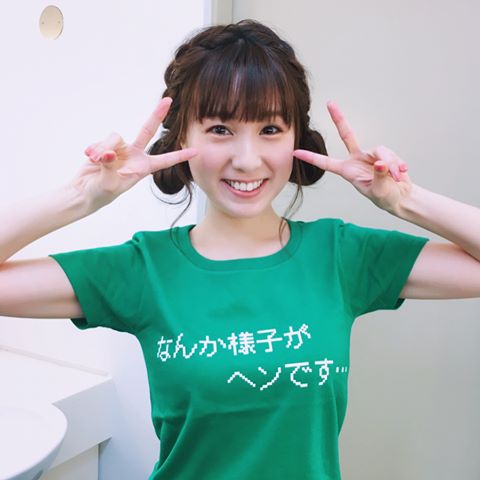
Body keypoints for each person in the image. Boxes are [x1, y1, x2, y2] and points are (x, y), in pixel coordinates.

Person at [1, 18, 479, 480]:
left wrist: (404, 200)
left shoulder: (340, 255)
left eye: (270, 129)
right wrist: (81, 196)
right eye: (220, 129)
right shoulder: (143, 269)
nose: (247, 160)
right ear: (182, 136)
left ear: (296, 139)